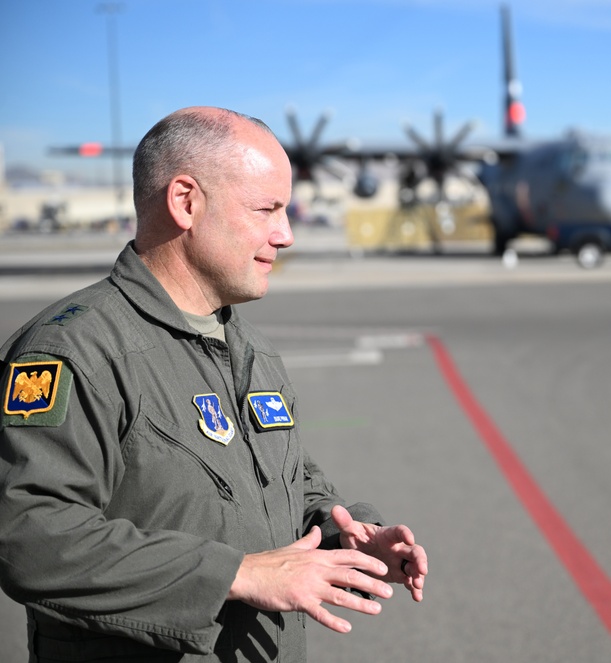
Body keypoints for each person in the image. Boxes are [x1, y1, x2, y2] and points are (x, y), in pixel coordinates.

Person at [0, 107, 428, 662]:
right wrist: (238, 574)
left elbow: (285, 478)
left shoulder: (249, 349)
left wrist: (343, 533)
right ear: (185, 203)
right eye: (266, 209)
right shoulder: (74, 351)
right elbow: (29, 537)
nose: (287, 233)